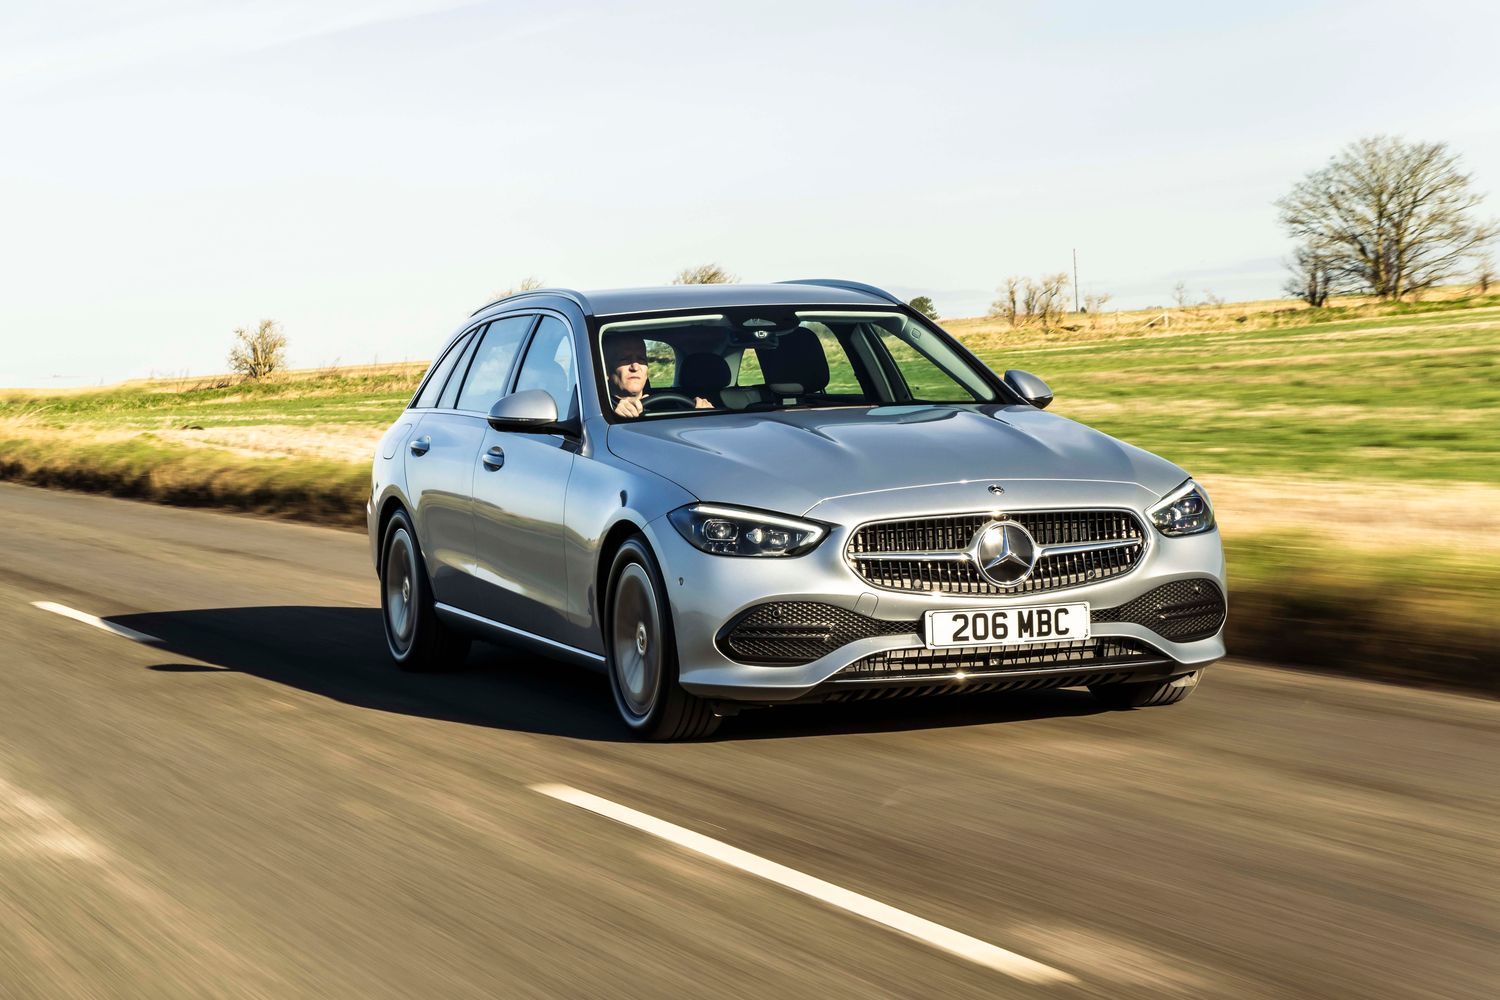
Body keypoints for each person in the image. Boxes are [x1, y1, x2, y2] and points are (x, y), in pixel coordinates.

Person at [604, 333, 711, 417]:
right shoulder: (599, 411)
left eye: (642, 359)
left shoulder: (674, 406)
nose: (635, 367)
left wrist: (707, 416)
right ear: (606, 371)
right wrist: (614, 416)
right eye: (625, 359)